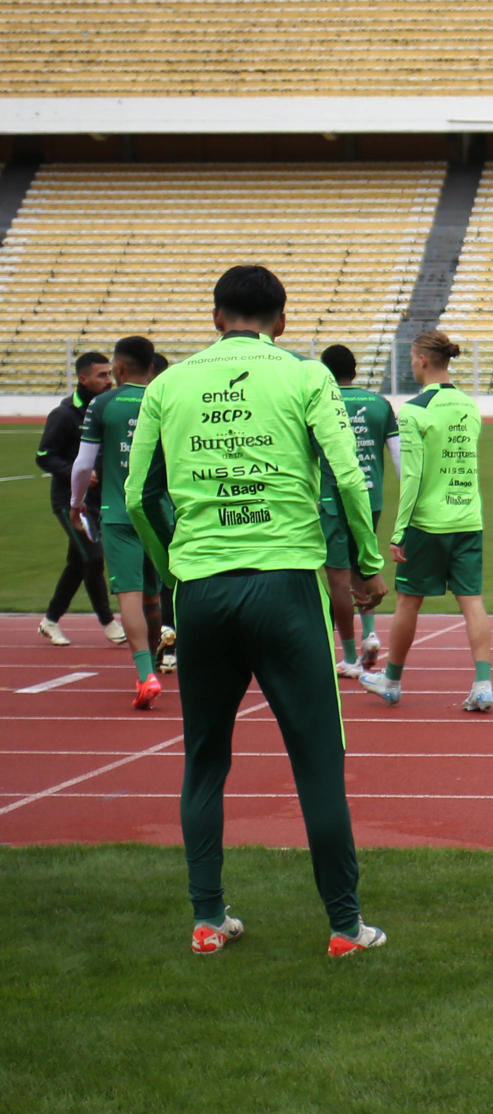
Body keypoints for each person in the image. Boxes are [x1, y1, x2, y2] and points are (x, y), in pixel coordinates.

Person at [125, 263, 389, 956]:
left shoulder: (170, 383)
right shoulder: (306, 377)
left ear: (216, 316)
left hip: (202, 587)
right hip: (286, 584)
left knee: (204, 759)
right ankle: (343, 926)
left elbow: (134, 499)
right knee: (317, 759)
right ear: (282, 319)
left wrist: (171, 570)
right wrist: (365, 562)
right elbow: (347, 475)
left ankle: (208, 920)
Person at [359, 332, 491, 712]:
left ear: (421, 360)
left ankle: (392, 680)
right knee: (472, 601)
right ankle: (483, 684)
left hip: (428, 523)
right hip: (468, 517)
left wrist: (399, 532)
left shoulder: (415, 411)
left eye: (414, 358)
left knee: (408, 602)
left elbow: (413, 477)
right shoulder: (470, 407)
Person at [70, 336, 166, 708]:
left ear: (121, 368)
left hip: (119, 511)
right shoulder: (166, 399)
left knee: (129, 594)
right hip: (162, 511)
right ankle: (164, 658)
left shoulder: (104, 404)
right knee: (155, 594)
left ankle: (145, 675)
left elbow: (82, 464)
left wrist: (76, 503)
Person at [320, 344, 402, 676]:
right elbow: (399, 458)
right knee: (363, 563)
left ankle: (351, 657)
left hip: (333, 500)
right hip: (371, 498)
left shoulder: (322, 404)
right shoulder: (379, 404)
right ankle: (370, 632)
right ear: (355, 370)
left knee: (339, 577)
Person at [35, 351, 120, 648]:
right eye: (101, 375)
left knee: (77, 563)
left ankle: (50, 621)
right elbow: (44, 456)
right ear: (83, 379)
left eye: (109, 374)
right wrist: (73, 471)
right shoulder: (64, 414)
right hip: (70, 502)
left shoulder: (106, 409)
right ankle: (108, 622)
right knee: (93, 558)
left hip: (99, 500)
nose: (108, 380)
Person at [149, 351, 178, 674]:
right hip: (177, 504)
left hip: (149, 507)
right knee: (169, 581)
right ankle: (168, 645)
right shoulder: (175, 406)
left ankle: (162, 645)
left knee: (154, 583)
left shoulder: (155, 407)